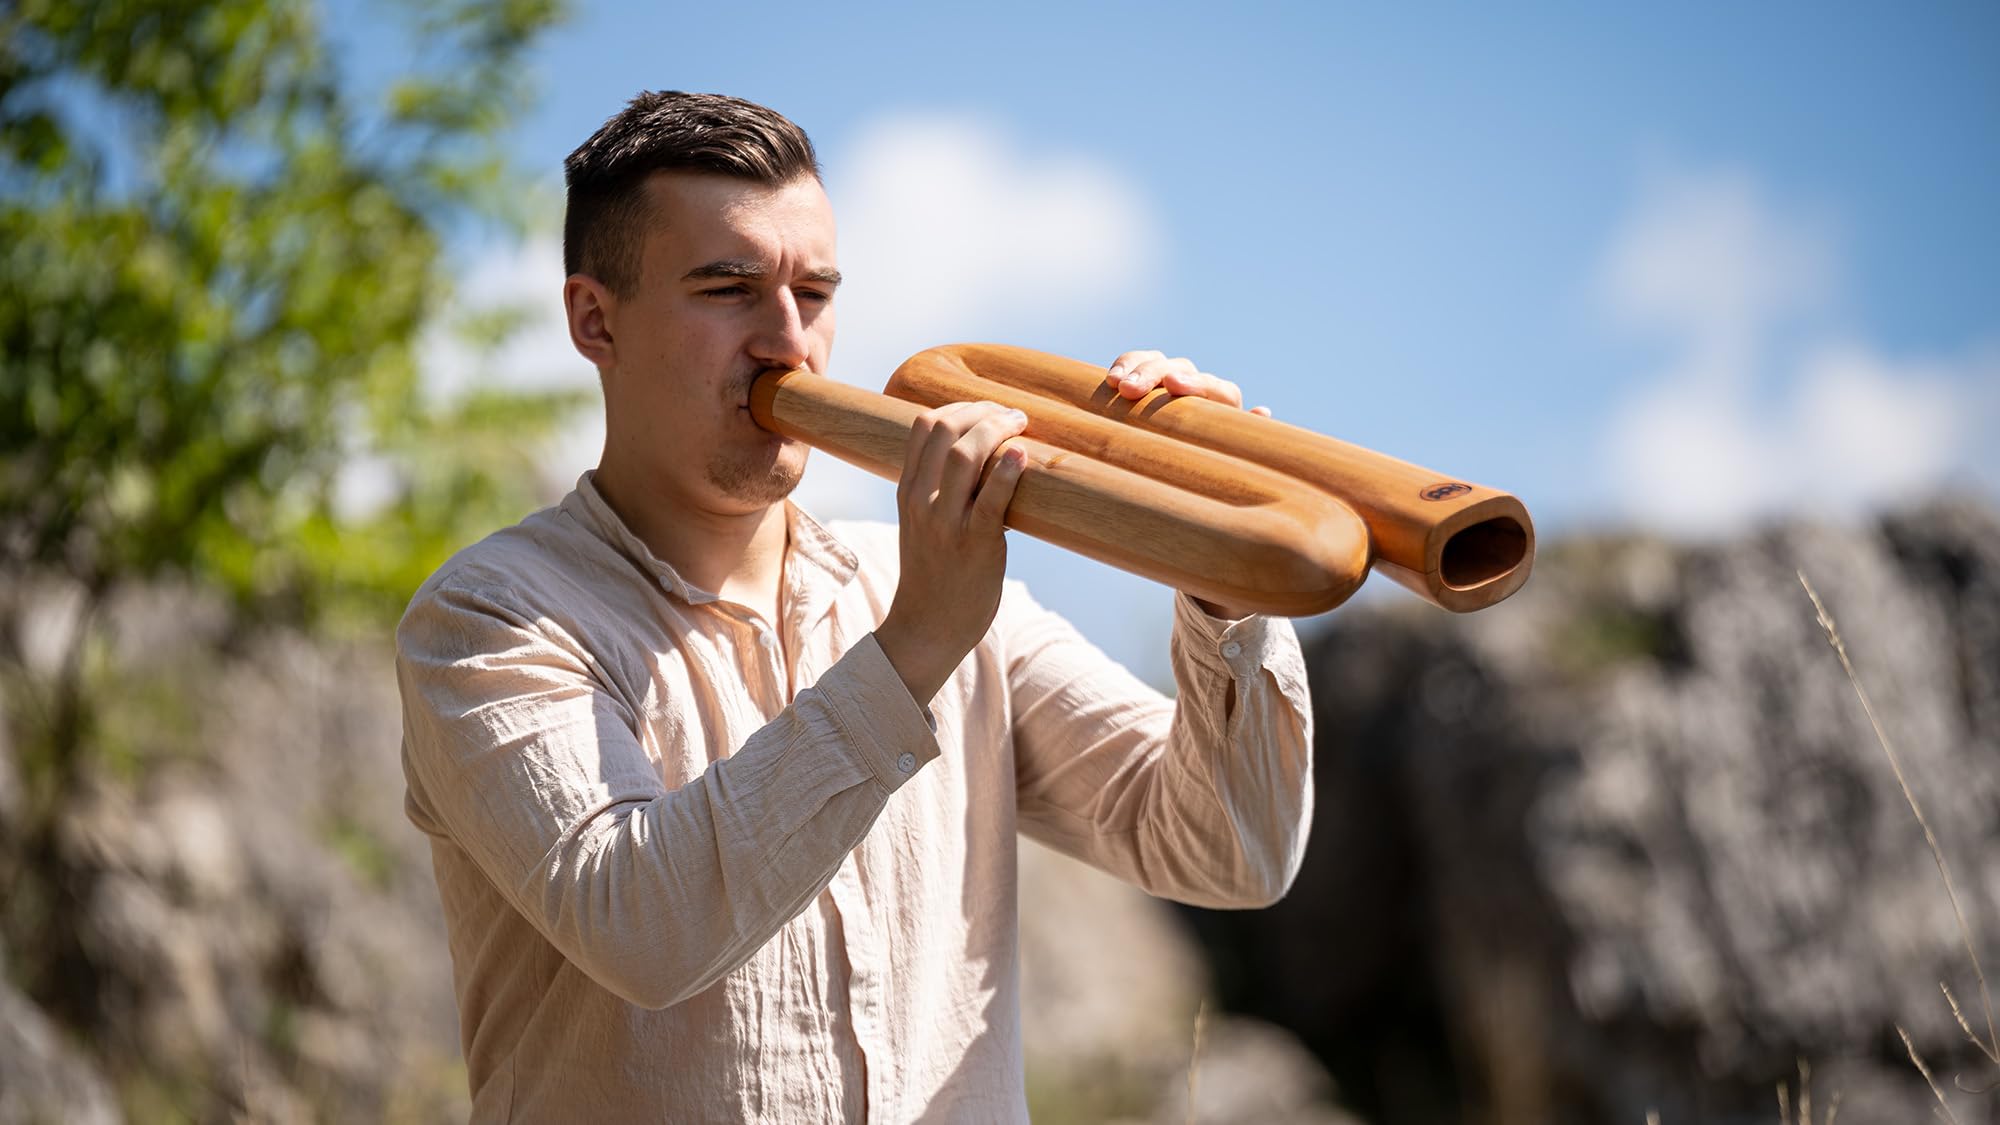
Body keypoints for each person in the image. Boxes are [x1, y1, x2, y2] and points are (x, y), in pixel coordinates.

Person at [395, 90, 1314, 1122]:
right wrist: (914, 643)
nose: (787, 340)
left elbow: (1230, 852)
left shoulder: (935, 588)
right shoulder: (488, 618)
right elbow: (642, 930)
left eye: (815, 291)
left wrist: (1221, 589)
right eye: (727, 288)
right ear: (593, 320)